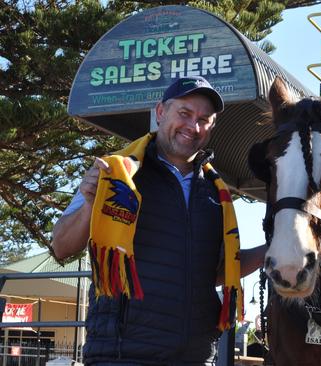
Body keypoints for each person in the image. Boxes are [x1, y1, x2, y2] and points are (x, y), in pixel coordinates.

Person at [51, 76, 266, 365]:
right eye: (185, 114)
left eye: (204, 119)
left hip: (194, 356)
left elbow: (216, 272)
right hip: (123, 355)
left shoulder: (216, 195)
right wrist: (91, 205)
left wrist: (274, 250)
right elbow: (62, 246)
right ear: (161, 112)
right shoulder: (116, 172)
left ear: (212, 128)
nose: (194, 126)